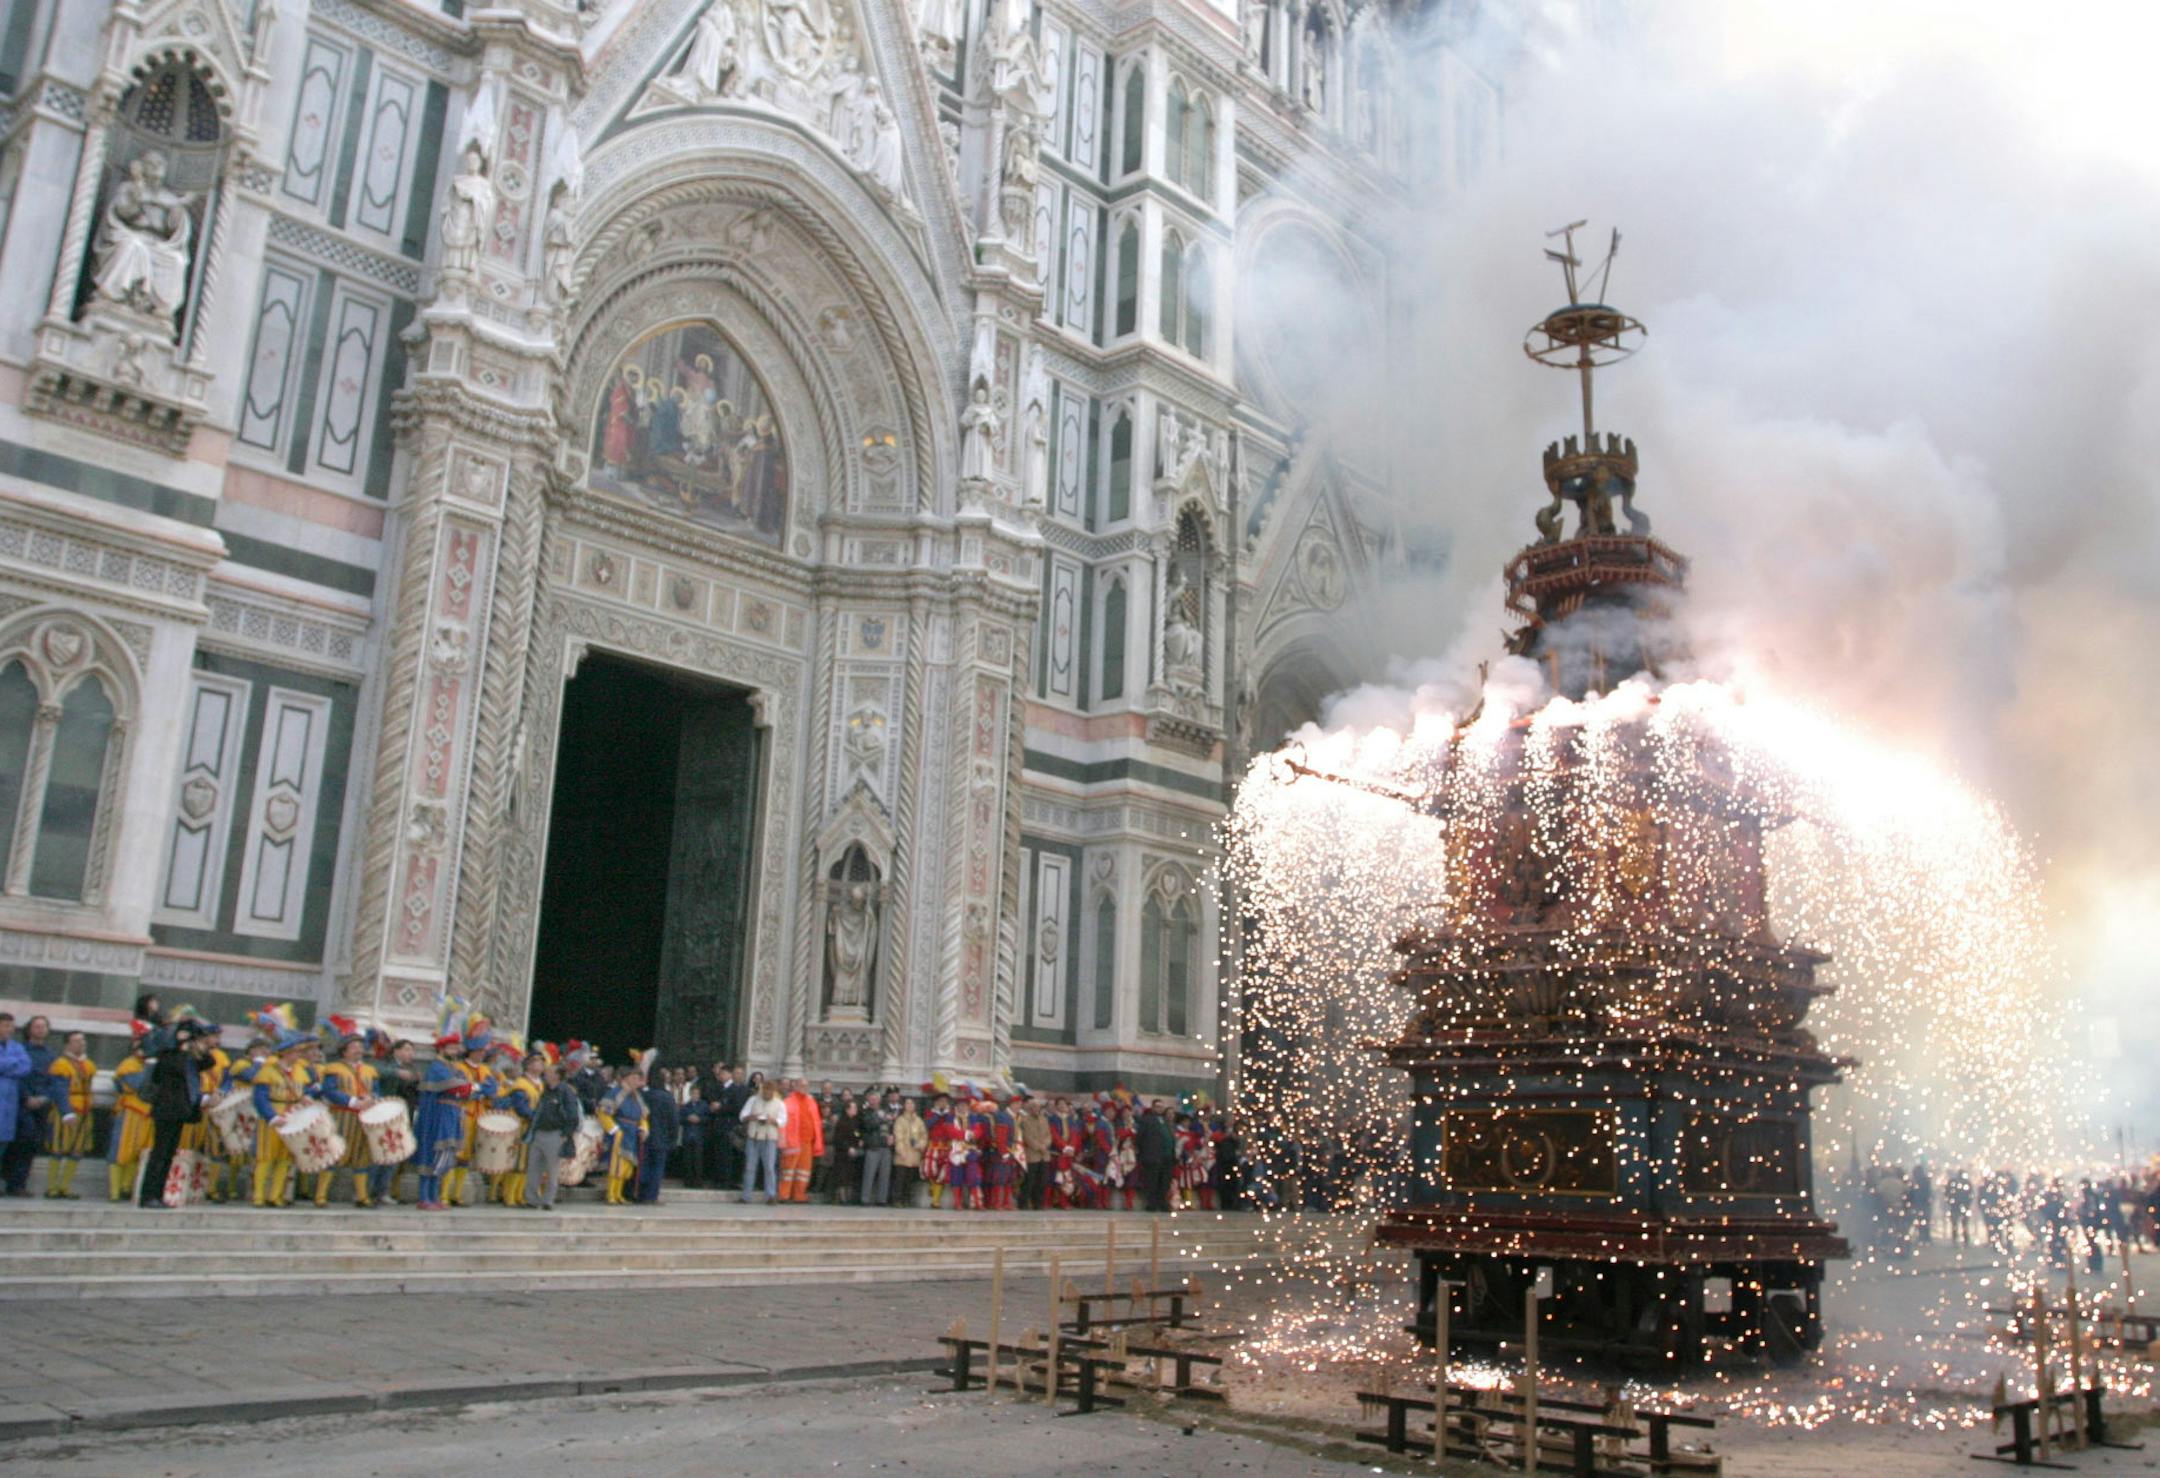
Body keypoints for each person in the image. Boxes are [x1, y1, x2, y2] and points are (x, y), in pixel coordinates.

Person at [138, 1021, 213, 1208]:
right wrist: (181, 1045)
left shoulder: (190, 1058)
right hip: (165, 1109)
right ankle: (148, 1196)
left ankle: (158, 1194)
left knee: (169, 1154)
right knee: (160, 1153)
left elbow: (209, 1061)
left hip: (180, 1111)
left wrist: (198, 1047)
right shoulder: (168, 1055)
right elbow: (162, 1073)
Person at [313, 1035, 379, 1208]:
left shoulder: (369, 1070)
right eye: (353, 1047)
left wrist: (371, 1098)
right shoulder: (333, 1069)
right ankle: (320, 1195)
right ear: (344, 1051)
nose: (358, 1049)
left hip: (364, 1118)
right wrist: (351, 1101)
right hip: (341, 1115)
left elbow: (377, 1090)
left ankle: (362, 1196)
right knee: (334, 1152)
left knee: (362, 1155)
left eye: (360, 1046)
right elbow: (329, 1090)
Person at [414, 1033, 475, 1211]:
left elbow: (467, 1085)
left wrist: (465, 1086)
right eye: (451, 1047)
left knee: (445, 1156)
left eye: (456, 1048)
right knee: (432, 1151)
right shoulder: (436, 1067)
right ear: (441, 1049)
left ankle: (435, 1196)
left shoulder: (454, 1067)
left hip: (453, 1112)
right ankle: (424, 1197)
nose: (455, 1051)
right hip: (438, 1113)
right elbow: (459, 1085)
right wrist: (464, 1086)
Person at [44, 1031, 96, 1199]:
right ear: (67, 1044)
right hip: (66, 1110)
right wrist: (66, 1112)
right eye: (77, 1041)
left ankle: (64, 1186)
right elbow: (58, 1090)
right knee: (58, 1148)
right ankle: (52, 1187)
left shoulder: (87, 1064)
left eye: (83, 1040)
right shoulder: (61, 1064)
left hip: (84, 1110)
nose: (81, 1044)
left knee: (77, 1150)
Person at [525, 1061, 581, 1211]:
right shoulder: (546, 1090)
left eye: (550, 1072)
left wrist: (566, 1134)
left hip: (555, 1134)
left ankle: (548, 1200)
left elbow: (572, 1116)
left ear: (557, 1075)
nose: (546, 1074)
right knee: (533, 1167)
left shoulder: (566, 1092)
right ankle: (532, 1199)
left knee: (552, 1169)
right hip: (540, 1133)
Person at [106, 1026, 154, 1202]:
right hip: (129, 1112)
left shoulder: (149, 1065)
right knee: (120, 1151)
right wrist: (150, 1068)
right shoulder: (129, 1064)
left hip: (147, 1113)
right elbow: (138, 1085)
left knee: (138, 1151)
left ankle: (127, 1187)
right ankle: (114, 1191)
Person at [370, 1039, 420, 1205]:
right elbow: (377, 1071)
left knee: (395, 1154)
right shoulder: (386, 1064)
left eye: (411, 1050)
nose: (409, 1054)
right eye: (406, 1049)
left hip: (404, 1114)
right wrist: (396, 1073)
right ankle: (370, 1190)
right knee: (380, 1152)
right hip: (386, 1114)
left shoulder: (413, 1069)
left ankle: (385, 1190)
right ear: (396, 1051)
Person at [600, 1067, 648, 1206]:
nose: (636, 1081)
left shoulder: (637, 1096)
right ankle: (611, 1194)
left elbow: (643, 1116)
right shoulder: (615, 1093)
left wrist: (644, 1129)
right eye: (633, 1078)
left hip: (632, 1133)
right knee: (617, 1166)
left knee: (626, 1167)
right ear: (625, 1078)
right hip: (620, 1132)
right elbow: (603, 1112)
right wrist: (614, 1129)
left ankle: (619, 1194)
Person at [739, 1075, 786, 1203]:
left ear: (773, 1091)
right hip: (753, 1137)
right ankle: (746, 1196)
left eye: (770, 1090)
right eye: (765, 1090)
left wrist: (773, 1120)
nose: (767, 1092)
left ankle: (770, 1195)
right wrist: (751, 1117)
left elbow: (783, 1121)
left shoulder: (779, 1103)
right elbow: (742, 1115)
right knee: (750, 1167)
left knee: (769, 1168)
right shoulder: (753, 1100)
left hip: (769, 1138)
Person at [779, 1077, 823, 1203]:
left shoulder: (811, 1101)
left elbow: (816, 1121)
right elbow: (782, 1122)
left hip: (807, 1141)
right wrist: (783, 1139)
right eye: (802, 1086)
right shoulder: (788, 1101)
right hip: (792, 1141)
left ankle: (799, 1195)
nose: (805, 1088)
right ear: (796, 1086)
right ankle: (784, 1195)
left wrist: (817, 1140)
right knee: (788, 1170)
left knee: (804, 1171)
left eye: (806, 1086)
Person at [638, 1064, 676, 1203]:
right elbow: (673, 1119)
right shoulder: (667, 1097)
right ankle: (652, 1196)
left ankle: (641, 1194)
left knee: (644, 1166)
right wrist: (673, 1138)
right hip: (662, 1138)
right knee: (658, 1168)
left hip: (645, 1136)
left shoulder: (644, 1096)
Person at [0, 1014, 29, 1197]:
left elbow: (25, 1067)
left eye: (11, 1026)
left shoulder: (17, 1047)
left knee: (3, 1144)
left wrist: (6, 1066)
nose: (9, 1029)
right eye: (5, 1025)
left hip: (9, 1104)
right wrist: (12, 1064)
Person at [1136, 1099, 1176, 1214]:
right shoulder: (1147, 1120)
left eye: (1161, 1107)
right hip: (1152, 1156)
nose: (1160, 1109)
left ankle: (1162, 1202)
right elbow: (1140, 1137)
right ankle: (1152, 1203)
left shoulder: (1165, 1121)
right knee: (1152, 1181)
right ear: (1153, 1107)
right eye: (1157, 1106)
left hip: (1167, 1157)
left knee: (1165, 1182)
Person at [858, 1093, 894, 1208]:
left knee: (885, 1174)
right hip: (873, 1146)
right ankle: (865, 1198)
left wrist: (891, 1136)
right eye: (872, 1099)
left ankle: (882, 1199)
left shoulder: (885, 1110)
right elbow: (868, 1124)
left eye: (876, 1099)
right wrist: (882, 1119)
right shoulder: (865, 1111)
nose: (874, 1101)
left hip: (885, 1145)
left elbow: (890, 1125)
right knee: (869, 1174)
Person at [828, 1094, 862, 1204]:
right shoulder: (842, 1122)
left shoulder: (856, 1121)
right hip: (842, 1154)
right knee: (842, 1176)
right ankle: (841, 1197)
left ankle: (849, 1196)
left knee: (850, 1176)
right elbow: (839, 1138)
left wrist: (859, 1142)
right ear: (847, 1109)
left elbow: (857, 1134)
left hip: (853, 1153)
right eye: (853, 1108)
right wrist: (848, 1148)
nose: (855, 1110)